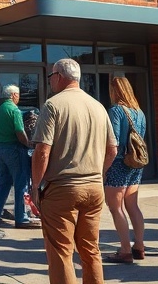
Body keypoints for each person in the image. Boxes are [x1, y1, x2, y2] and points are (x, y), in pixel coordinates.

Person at [30, 58, 117, 284]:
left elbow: (42, 151)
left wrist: (36, 185)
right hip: (94, 187)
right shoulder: (98, 106)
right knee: (91, 250)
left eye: (51, 76)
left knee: (61, 253)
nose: (50, 81)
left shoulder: (53, 105)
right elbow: (112, 149)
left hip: (62, 188)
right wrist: (100, 172)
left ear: (59, 76)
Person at [103, 76, 147, 264]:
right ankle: (139, 245)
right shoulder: (139, 112)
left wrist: (103, 168)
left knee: (115, 207)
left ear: (115, 90)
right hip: (135, 163)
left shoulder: (116, 110)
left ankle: (125, 249)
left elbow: (114, 142)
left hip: (118, 162)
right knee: (132, 206)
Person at [0, 84, 39, 228]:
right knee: (21, 183)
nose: (18, 98)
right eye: (18, 95)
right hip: (14, 149)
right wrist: (29, 144)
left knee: (3, 183)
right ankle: (21, 218)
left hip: (0, 148)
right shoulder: (14, 110)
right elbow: (20, 132)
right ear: (13, 95)